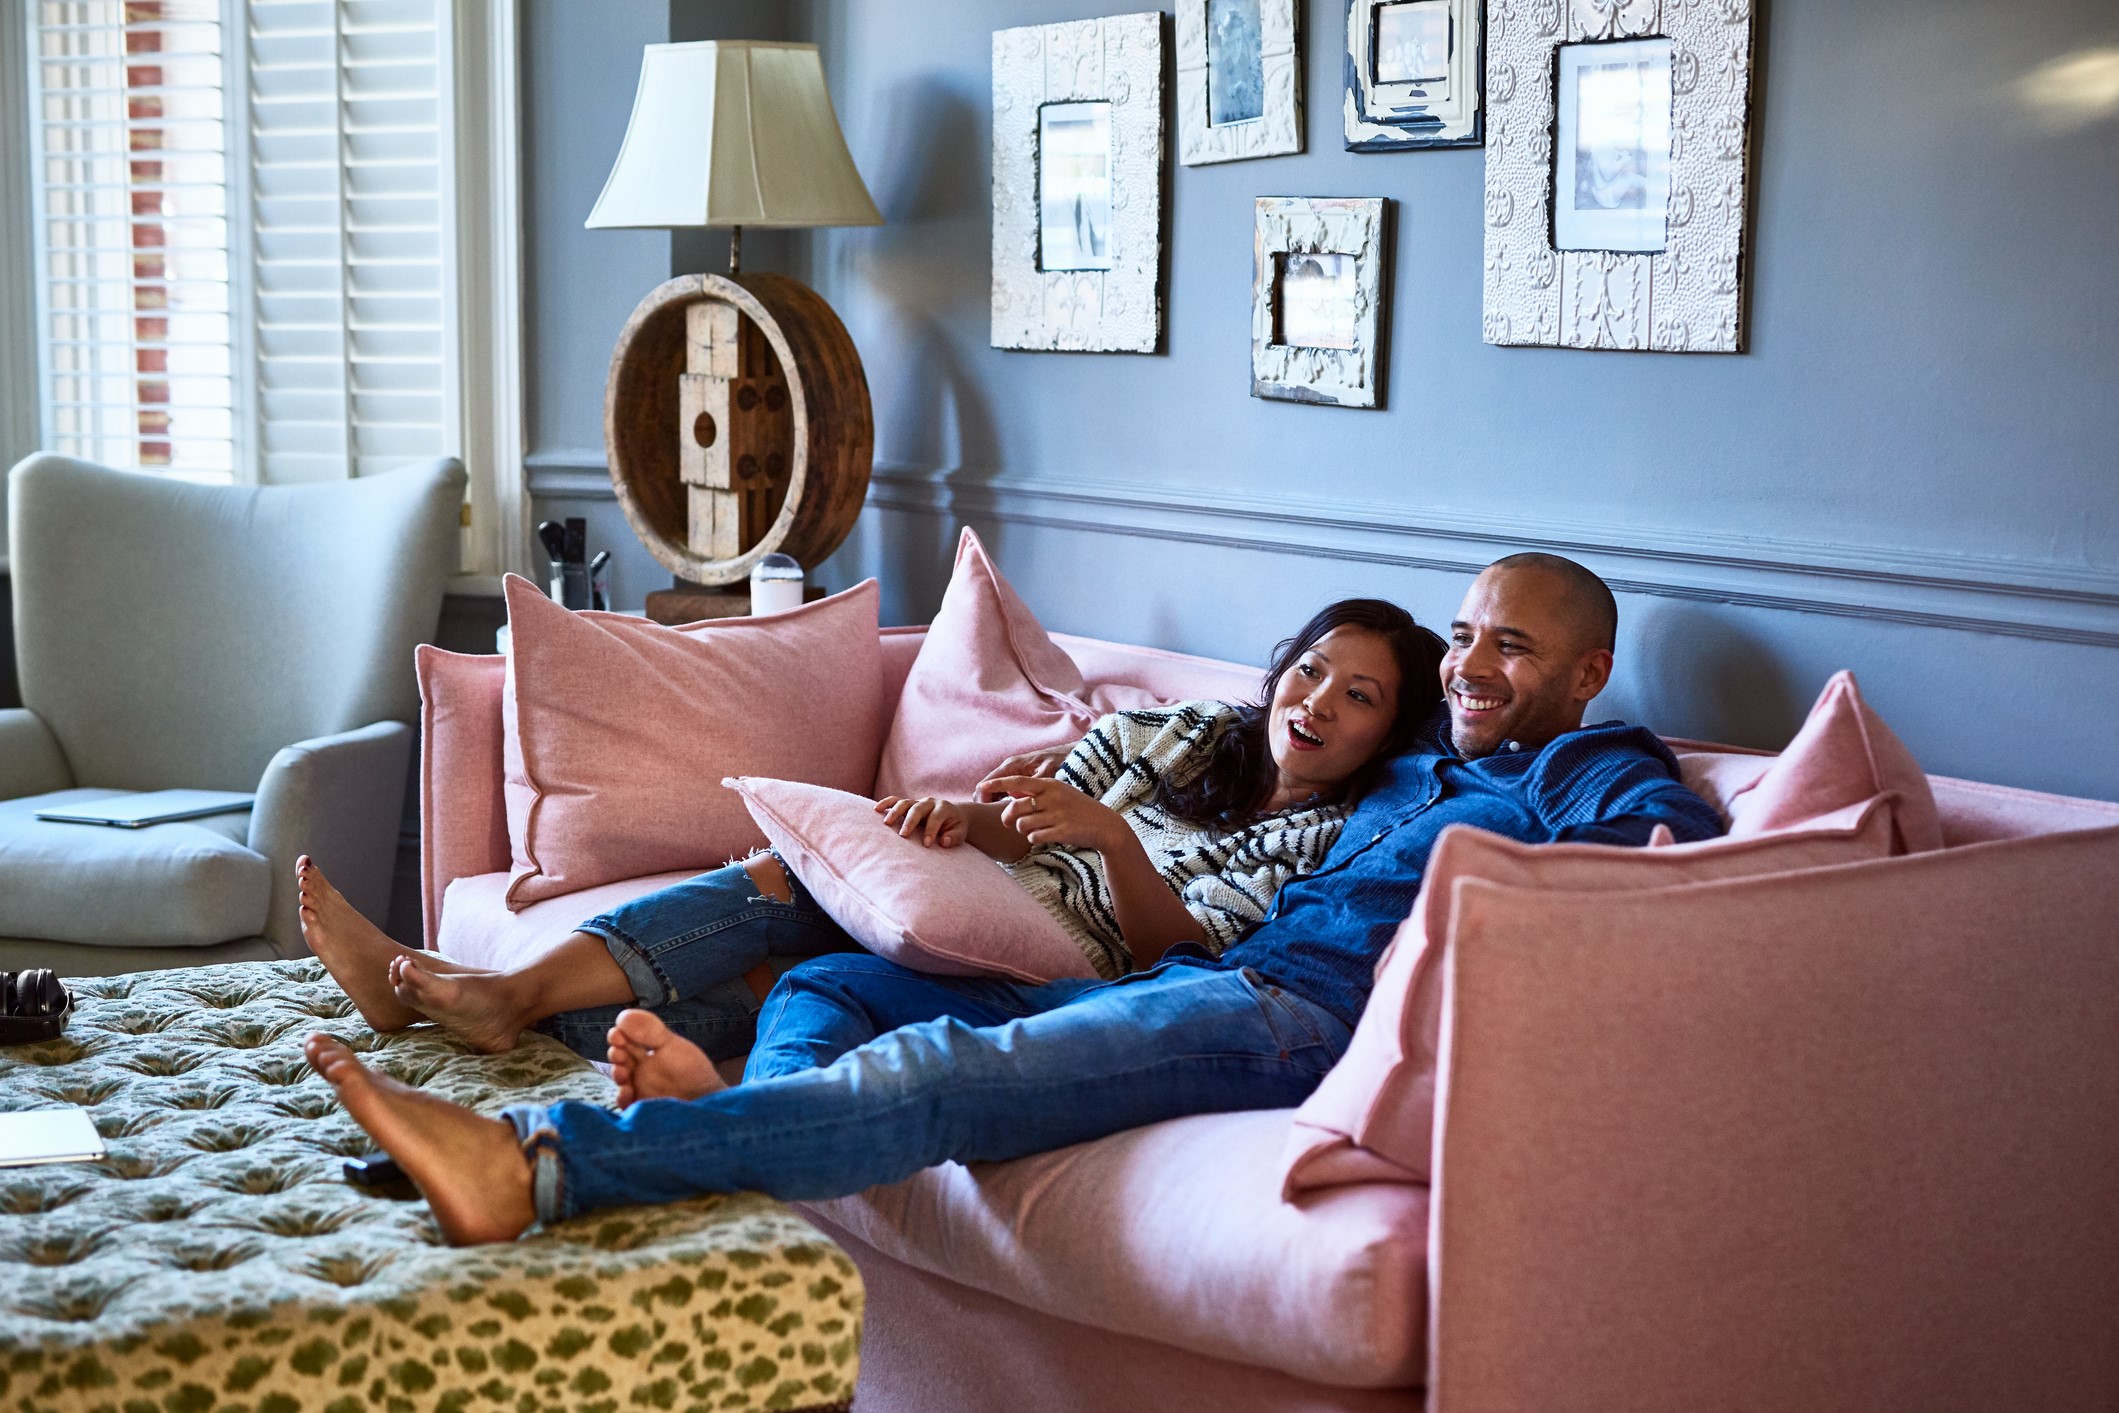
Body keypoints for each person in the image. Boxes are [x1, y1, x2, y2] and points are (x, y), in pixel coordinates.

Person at [305, 553, 1726, 1245]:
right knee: (836, 986)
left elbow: (1665, 873)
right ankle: (715, 1133)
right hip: (1187, 989)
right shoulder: (1418, 760)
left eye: (1513, 648)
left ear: (1585, 674)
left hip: (1292, 1017)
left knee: (941, 1070)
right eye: (1466, 636)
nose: (1474, 664)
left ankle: (544, 1165)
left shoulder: (1584, 759)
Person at [297, 598, 1446, 1061]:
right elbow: (1023, 820)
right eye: (1311, 671)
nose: (1318, 704)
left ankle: (462, 998)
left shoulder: (1337, 837)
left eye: (1359, 697)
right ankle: (479, 999)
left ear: (1389, 732)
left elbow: (1177, 960)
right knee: (772, 891)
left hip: (1081, 957)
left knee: (793, 953)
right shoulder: (1196, 732)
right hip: (1005, 890)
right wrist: (965, 820)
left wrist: (1111, 843)